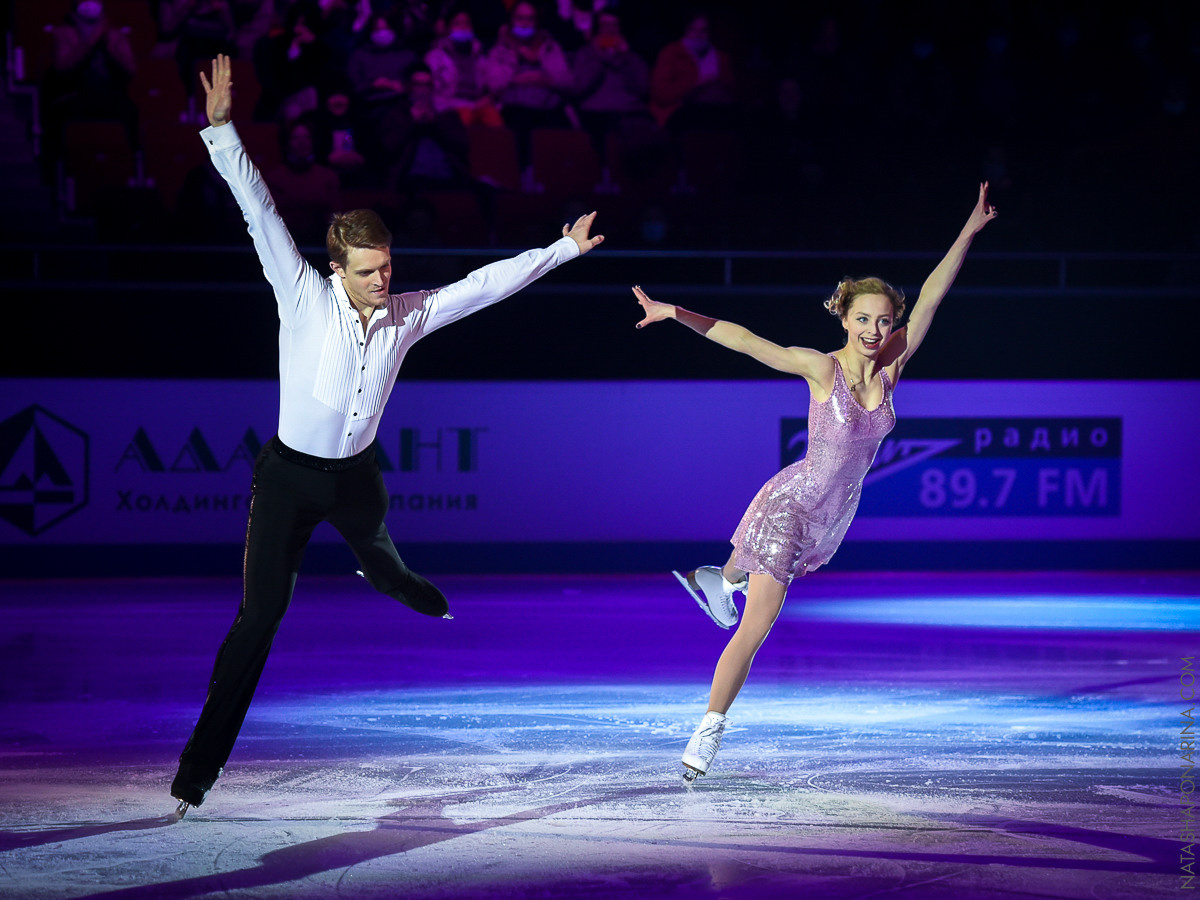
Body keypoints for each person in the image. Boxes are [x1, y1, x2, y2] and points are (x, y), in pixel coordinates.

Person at [170, 55, 604, 815]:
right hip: (289, 479)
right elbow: (259, 209)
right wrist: (221, 129)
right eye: (369, 270)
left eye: (387, 267)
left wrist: (561, 250)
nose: (382, 280)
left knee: (381, 557)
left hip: (356, 477)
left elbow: (481, 287)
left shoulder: (406, 313)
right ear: (337, 267)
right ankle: (196, 771)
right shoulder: (302, 293)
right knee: (260, 617)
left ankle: (400, 585)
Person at [632, 183, 997, 782]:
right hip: (794, 506)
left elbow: (934, 295)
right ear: (845, 316)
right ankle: (708, 729)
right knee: (759, 624)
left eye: (884, 321)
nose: (875, 331)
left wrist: (968, 232)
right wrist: (674, 313)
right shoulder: (819, 367)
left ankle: (720, 580)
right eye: (863, 319)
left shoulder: (894, 367)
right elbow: (747, 340)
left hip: (834, 514)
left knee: (745, 585)